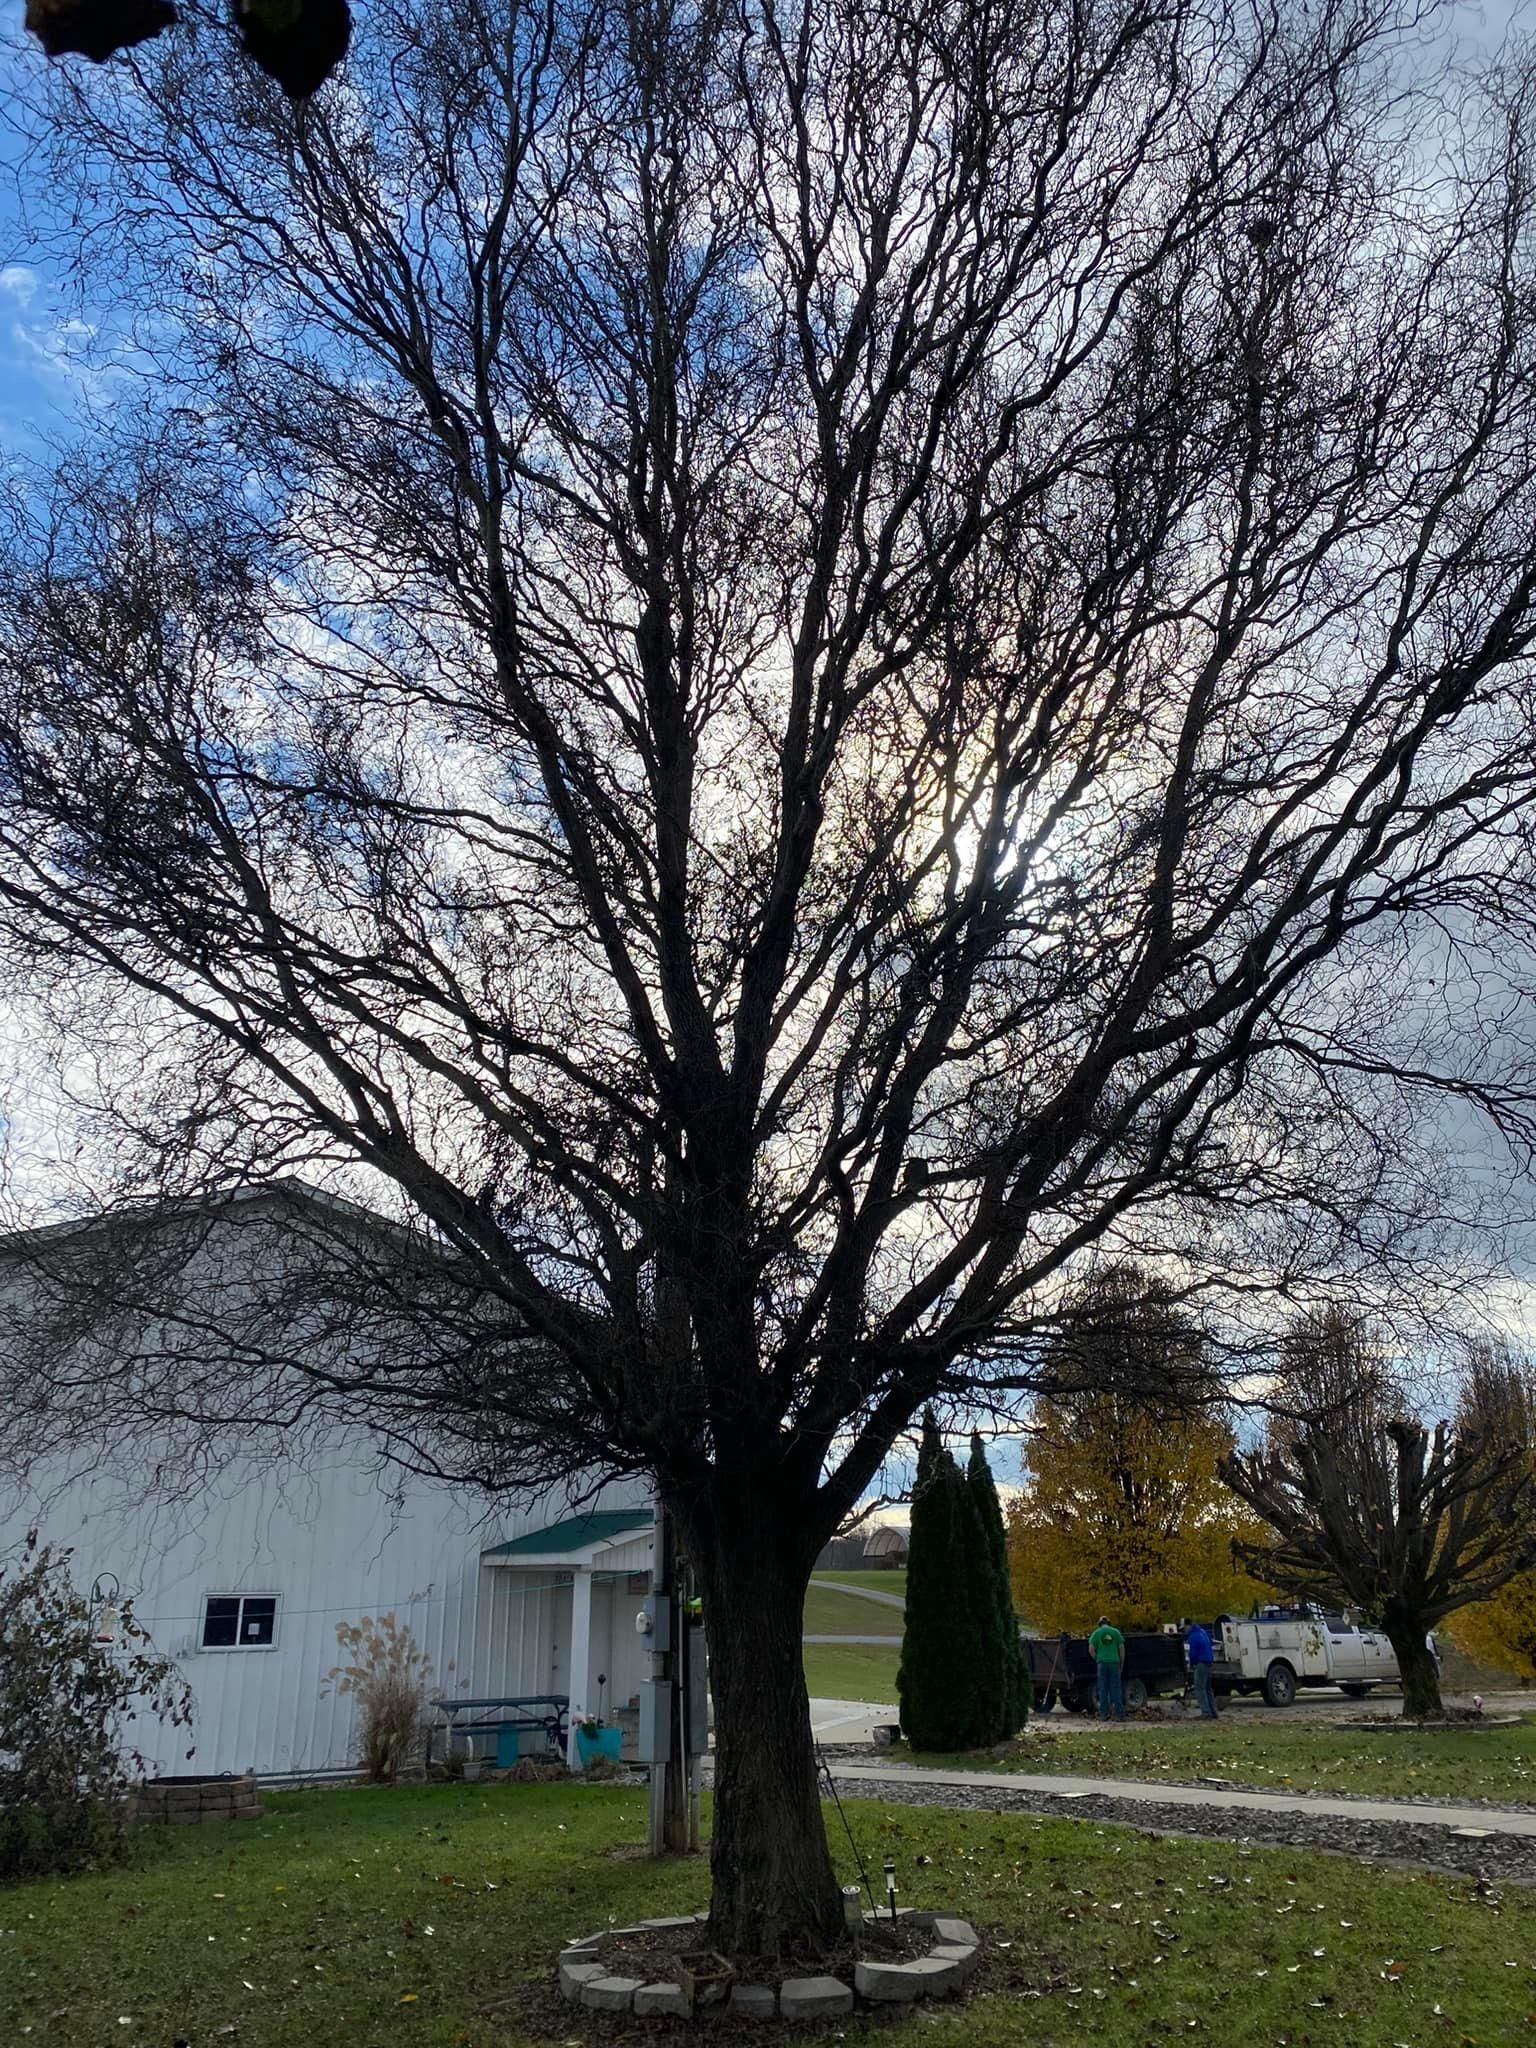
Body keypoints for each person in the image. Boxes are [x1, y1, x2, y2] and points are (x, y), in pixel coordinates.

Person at [1087, 1614, 1125, 1720]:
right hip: (1114, 1663)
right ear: (1109, 1623)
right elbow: (1121, 1649)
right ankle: (1118, 1715)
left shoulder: (1096, 1633)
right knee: (1115, 1688)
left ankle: (1104, 1714)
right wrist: (1121, 1663)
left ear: (1099, 1624)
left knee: (1103, 1689)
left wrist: (1098, 1658)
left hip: (1102, 1663)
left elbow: (1091, 1649)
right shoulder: (1116, 1632)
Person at [1184, 1618, 1218, 1718]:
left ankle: (1206, 1712)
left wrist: (1191, 1664)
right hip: (1208, 1661)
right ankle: (1213, 1711)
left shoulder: (1193, 1636)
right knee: (1208, 1688)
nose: (1184, 1630)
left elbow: (1193, 1653)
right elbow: (1211, 1643)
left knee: (1199, 1688)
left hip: (1201, 1662)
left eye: (1184, 1628)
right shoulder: (1203, 1632)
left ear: (1188, 1625)